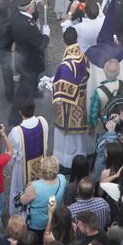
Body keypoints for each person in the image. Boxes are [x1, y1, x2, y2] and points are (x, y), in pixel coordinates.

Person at [9, 0, 50, 127]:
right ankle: (14, 118)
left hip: (24, 57)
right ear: (31, 4)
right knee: (23, 92)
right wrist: (46, 35)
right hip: (29, 61)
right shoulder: (28, 25)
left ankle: (33, 94)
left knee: (29, 87)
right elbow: (40, 45)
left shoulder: (18, 16)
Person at [50, 28, 89, 170]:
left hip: (69, 107)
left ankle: (67, 161)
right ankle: (80, 157)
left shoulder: (66, 65)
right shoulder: (82, 55)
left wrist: (51, 87)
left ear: (63, 41)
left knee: (67, 139)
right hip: (81, 102)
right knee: (78, 138)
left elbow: (60, 94)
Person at [8, 102, 48, 213]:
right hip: (41, 163)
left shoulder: (16, 131)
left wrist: (11, 166)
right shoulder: (43, 122)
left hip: (22, 169)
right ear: (34, 109)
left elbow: (12, 154)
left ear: (20, 112)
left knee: (20, 190)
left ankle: (20, 215)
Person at [20, 156, 66, 243]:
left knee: (36, 241)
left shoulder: (34, 187)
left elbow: (22, 200)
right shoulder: (62, 179)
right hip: (54, 218)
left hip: (37, 223)